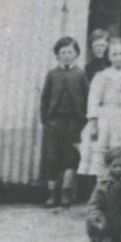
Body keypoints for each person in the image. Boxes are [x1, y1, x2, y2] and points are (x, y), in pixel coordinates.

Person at [39, 37, 88, 208]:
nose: (66, 55)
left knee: (71, 156)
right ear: (57, 55)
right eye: (63, 52)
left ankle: (66, 192)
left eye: (70, 52)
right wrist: (45, 119)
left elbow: (86, 96)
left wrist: (84, 119)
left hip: (74, 121)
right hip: (55, 121)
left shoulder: (80, 74)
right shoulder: (52, 74)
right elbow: (45, 98)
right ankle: (51, 193)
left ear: (76, 54)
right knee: (52, 156)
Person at [85, 37, 121, 167]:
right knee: (102, 151)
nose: (118, 57)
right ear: (109, 57)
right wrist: (93, 123)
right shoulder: (101, 76)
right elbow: (93, 100)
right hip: (105, 117)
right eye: (114, 54)